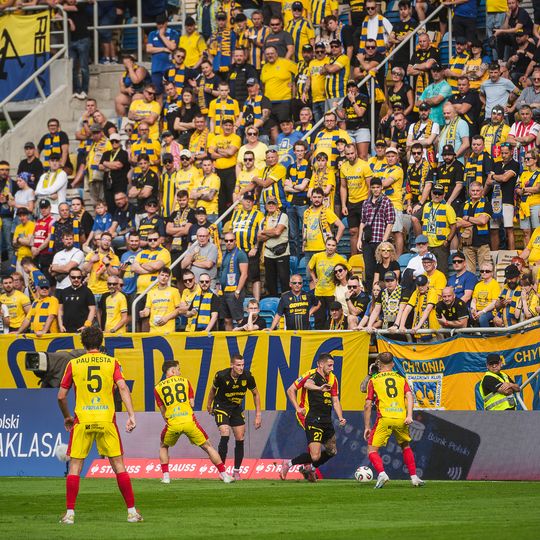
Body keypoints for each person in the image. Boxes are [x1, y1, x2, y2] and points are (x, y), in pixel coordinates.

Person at [57, 326, 142, 524]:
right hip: (106, 419)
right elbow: (122, 387)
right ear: (101, 341)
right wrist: (131, 415)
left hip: (83, 419)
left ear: (83, 343)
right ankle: (132, 512)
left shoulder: (73, 364)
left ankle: (69, 514)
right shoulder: (112, 362)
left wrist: (67, 417)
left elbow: (61, 396)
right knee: (119, 465)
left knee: (75, 466)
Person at [156, 360, 233, 485]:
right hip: (189, 421)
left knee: (163, 446)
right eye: (178, 369)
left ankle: (166, 477)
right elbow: (192, 404)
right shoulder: (185, 381)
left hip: (173, 423)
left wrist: (171, 419)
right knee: (208, 446)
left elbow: (163, 411)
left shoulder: (157, 388)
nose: (180, 372)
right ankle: (225, 476)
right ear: (173, 371)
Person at [280, 353, 346, 482]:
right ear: (320, 364)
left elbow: (335, 400)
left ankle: (310, 468)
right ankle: (288, 464)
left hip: (326, 419)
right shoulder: (311, 375)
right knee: (315, 455)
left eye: (333, 365)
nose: (332, 368)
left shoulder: (333, 379)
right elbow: (299, 387)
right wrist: (298, 408)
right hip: (310, 416)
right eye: (329, 365)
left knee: (332, 451)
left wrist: (340, 417)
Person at [363, 352, 424, 488]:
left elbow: (367, 405)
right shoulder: (401, 379)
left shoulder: (374, 380)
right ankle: (414, 477)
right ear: (392, 364)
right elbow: (409, 396)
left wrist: (367, 426)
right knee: (405, 446)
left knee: (372, 450)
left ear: (379, 364)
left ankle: (382, 474)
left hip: (384, 418)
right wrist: (409, 415)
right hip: (401, 418)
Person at [206, 354, 261, 480]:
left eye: (243, 365)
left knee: (240, 437)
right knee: (225, 432)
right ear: (232, 365)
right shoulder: (221, 376)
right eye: (238, 365)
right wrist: (209, 405)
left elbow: (256, 394)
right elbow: (213, 390)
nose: (241, 368)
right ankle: (222, 471)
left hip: (236, 408)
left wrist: (258, 415)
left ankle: (236, 471)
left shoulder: (247, 376)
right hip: (221, 407)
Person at [357, 178, 396, 292]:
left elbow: (390, 222)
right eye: (373, 187)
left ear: (381, 187)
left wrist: (384, 241)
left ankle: (383, 293)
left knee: (381, 269)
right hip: (367, 240)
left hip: (380, 240)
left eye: (378, 187)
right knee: (369, 270)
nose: (375, 189)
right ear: (370, 188)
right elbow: (362, 222)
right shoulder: (366, 202)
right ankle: (371, 294)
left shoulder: (387, 201)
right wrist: (359, 239)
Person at [308, 237, 348, 329]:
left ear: (336, 247)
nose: (330, 247)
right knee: (319, 319)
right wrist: (314, 278)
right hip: (319, 292)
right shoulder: (317, 256)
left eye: (333, 245)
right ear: (325, 245)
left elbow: (348, 270)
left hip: (332, 293)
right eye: (328, 245)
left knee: (332, 318)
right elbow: (310, 268)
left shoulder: (340, 258)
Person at [420, 184, 457, 275]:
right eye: (435, 193)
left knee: (442, 271)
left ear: (444, 195)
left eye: (439, 194)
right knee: (426, 271)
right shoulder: (426, 206)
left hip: (441, 245)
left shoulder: (448, 207)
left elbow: (453, 226)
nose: (437, 196)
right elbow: (424, 223)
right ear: (431, 193)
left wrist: (447, 241)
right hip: (428, 245)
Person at [457, 181, 493, 273]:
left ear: (482, 191)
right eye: (473, 190)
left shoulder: (487, 204)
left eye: (477, 190)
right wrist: (476, 220)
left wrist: (468, 218)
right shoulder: (464, 204)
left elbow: (483, 221)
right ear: (469, 191)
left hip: (483, 243)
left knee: (485, 271)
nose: (475, 192)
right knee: (469, 273)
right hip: (467, 244)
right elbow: (458, 223)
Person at [258, 196, 290, 298]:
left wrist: (264, 232)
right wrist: (273, 232)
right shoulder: (263, 220)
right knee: (270, 281)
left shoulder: (283, 216)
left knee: (284, 280)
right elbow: (259, 237)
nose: (271, 205)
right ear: (266, 206)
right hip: (268, 254)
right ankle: (273, 301)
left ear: (277, 205)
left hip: (282, 253)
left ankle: (286, 302)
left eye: (273, 203)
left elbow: (277, 232)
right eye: (269, 203)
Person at [219, 233, 249, 330]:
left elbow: (244, 274)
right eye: (226, 241)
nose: (229, 242)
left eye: (231, 240)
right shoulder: (225, 254)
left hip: (234, 291)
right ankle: (229, 337)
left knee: (239, 319)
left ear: (235, 241)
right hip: (224, 291)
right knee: (227, 319)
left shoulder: (240, 254)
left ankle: (243, 338)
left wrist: (238, 291)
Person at [139, 267, 181, 334]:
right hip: (153, 330)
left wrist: (166, 318)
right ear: (158, 276)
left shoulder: (174, 291)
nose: (164, 277)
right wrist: (143, 313)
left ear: (169, 278)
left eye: (166, 276)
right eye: (162, 275)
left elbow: (178, 309)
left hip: (168, 330)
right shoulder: (151, 292)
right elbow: (147, 309)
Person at [57, 268, 96, 333]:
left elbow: (92, 310)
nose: (76, 279)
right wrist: (60, 325)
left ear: (81, 278)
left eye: (79, 277)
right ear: (69, 277)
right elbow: (60, 310)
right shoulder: (64, 292)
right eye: (73, 277)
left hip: (82, 330)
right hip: (66, 329)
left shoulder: (87, 292)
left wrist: (86, 326)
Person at [471, 262, 500, 327]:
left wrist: (483, 311)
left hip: (490, 311)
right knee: (466, 315)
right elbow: (474, 300)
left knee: (482, 318)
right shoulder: (478, 285)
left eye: (487, 271)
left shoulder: (495, 285)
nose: (484, 273)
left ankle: (485, 333)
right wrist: (473, 310)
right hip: (478, 310)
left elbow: (494, 303)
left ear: (492, 273)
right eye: (482, 271)